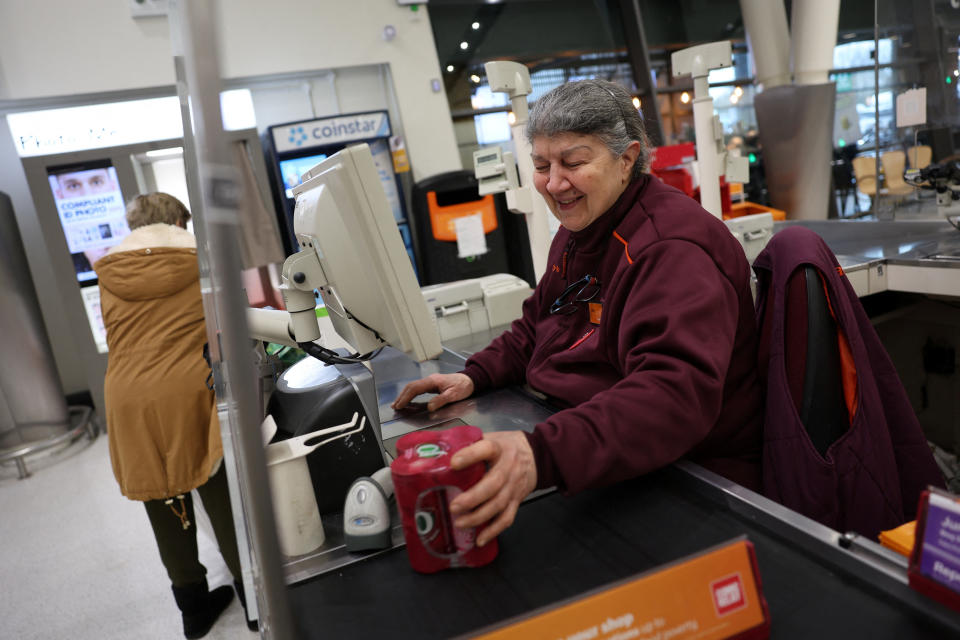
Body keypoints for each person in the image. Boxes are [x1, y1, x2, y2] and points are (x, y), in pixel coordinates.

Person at [392, 79, 762, 548]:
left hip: (691, 480)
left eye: (573, 162)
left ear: (627, 159)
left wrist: (541, 454)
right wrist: (476, 376)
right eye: (542, 165)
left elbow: (671, 398)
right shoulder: (580, 229)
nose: (554, 183)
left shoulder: (672, 250)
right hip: (596, 446)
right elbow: (540, 325)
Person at [94, 193, 255, 638]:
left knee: (162, 498)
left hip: (126, 393)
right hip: (189, 387)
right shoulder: (197, 260)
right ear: (180, 220)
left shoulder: (111, 271)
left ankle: (193, 608)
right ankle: (254, 601)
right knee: (218, 489)